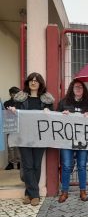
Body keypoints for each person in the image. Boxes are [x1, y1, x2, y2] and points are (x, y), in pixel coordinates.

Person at [8, 73, 54, 206]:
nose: (33, 83)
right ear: (28, 83)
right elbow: (13, 113)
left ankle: (29, 193)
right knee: (27, 165)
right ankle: (35, 194)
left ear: (40, 83)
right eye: (31, 80)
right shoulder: (20, 99)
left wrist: (48, 113)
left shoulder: (47, 101)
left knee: (36, 165)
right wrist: (12, 111)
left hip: (40, 137)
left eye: (36, 81)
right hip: (23, 137)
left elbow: (52, 117)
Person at [57, 79, 88, 203]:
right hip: (67, 140)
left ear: (84, 89)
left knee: (82, 166)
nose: (78, 89)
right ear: (71, 89)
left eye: (80, 87)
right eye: (76, 87)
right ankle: (64, 191)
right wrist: (62, 115)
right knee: (67, 165)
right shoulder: (63, 103)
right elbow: (56, 120)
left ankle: (83, 191)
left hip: (83, 140)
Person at [4, 86, 21, 170]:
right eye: (14, 93)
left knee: (18, 145)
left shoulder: (21, 103)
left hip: (19, 126)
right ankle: (10, 162)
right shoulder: (6, 103)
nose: (15, 95)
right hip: (10, 125)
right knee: (10, 145)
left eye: (17, 93)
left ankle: (18, 163)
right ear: (11, 94)